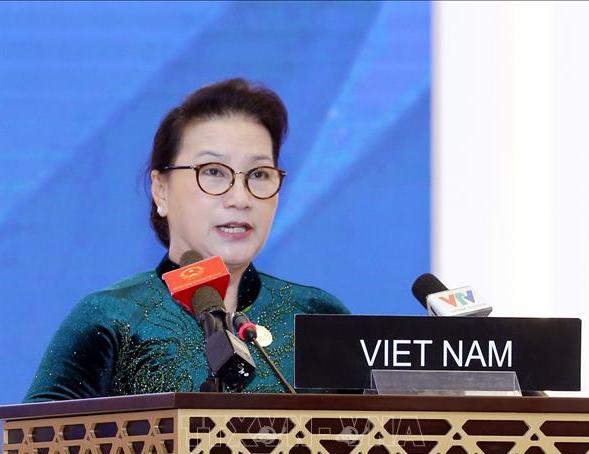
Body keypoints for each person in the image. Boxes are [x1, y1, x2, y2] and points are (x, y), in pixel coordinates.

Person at [24, 78, 349, 402]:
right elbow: (38, 430)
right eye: (213, 171)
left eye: (259, 174)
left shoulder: (315, 317)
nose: (240, 198)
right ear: (160, 190)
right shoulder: (112, 319)